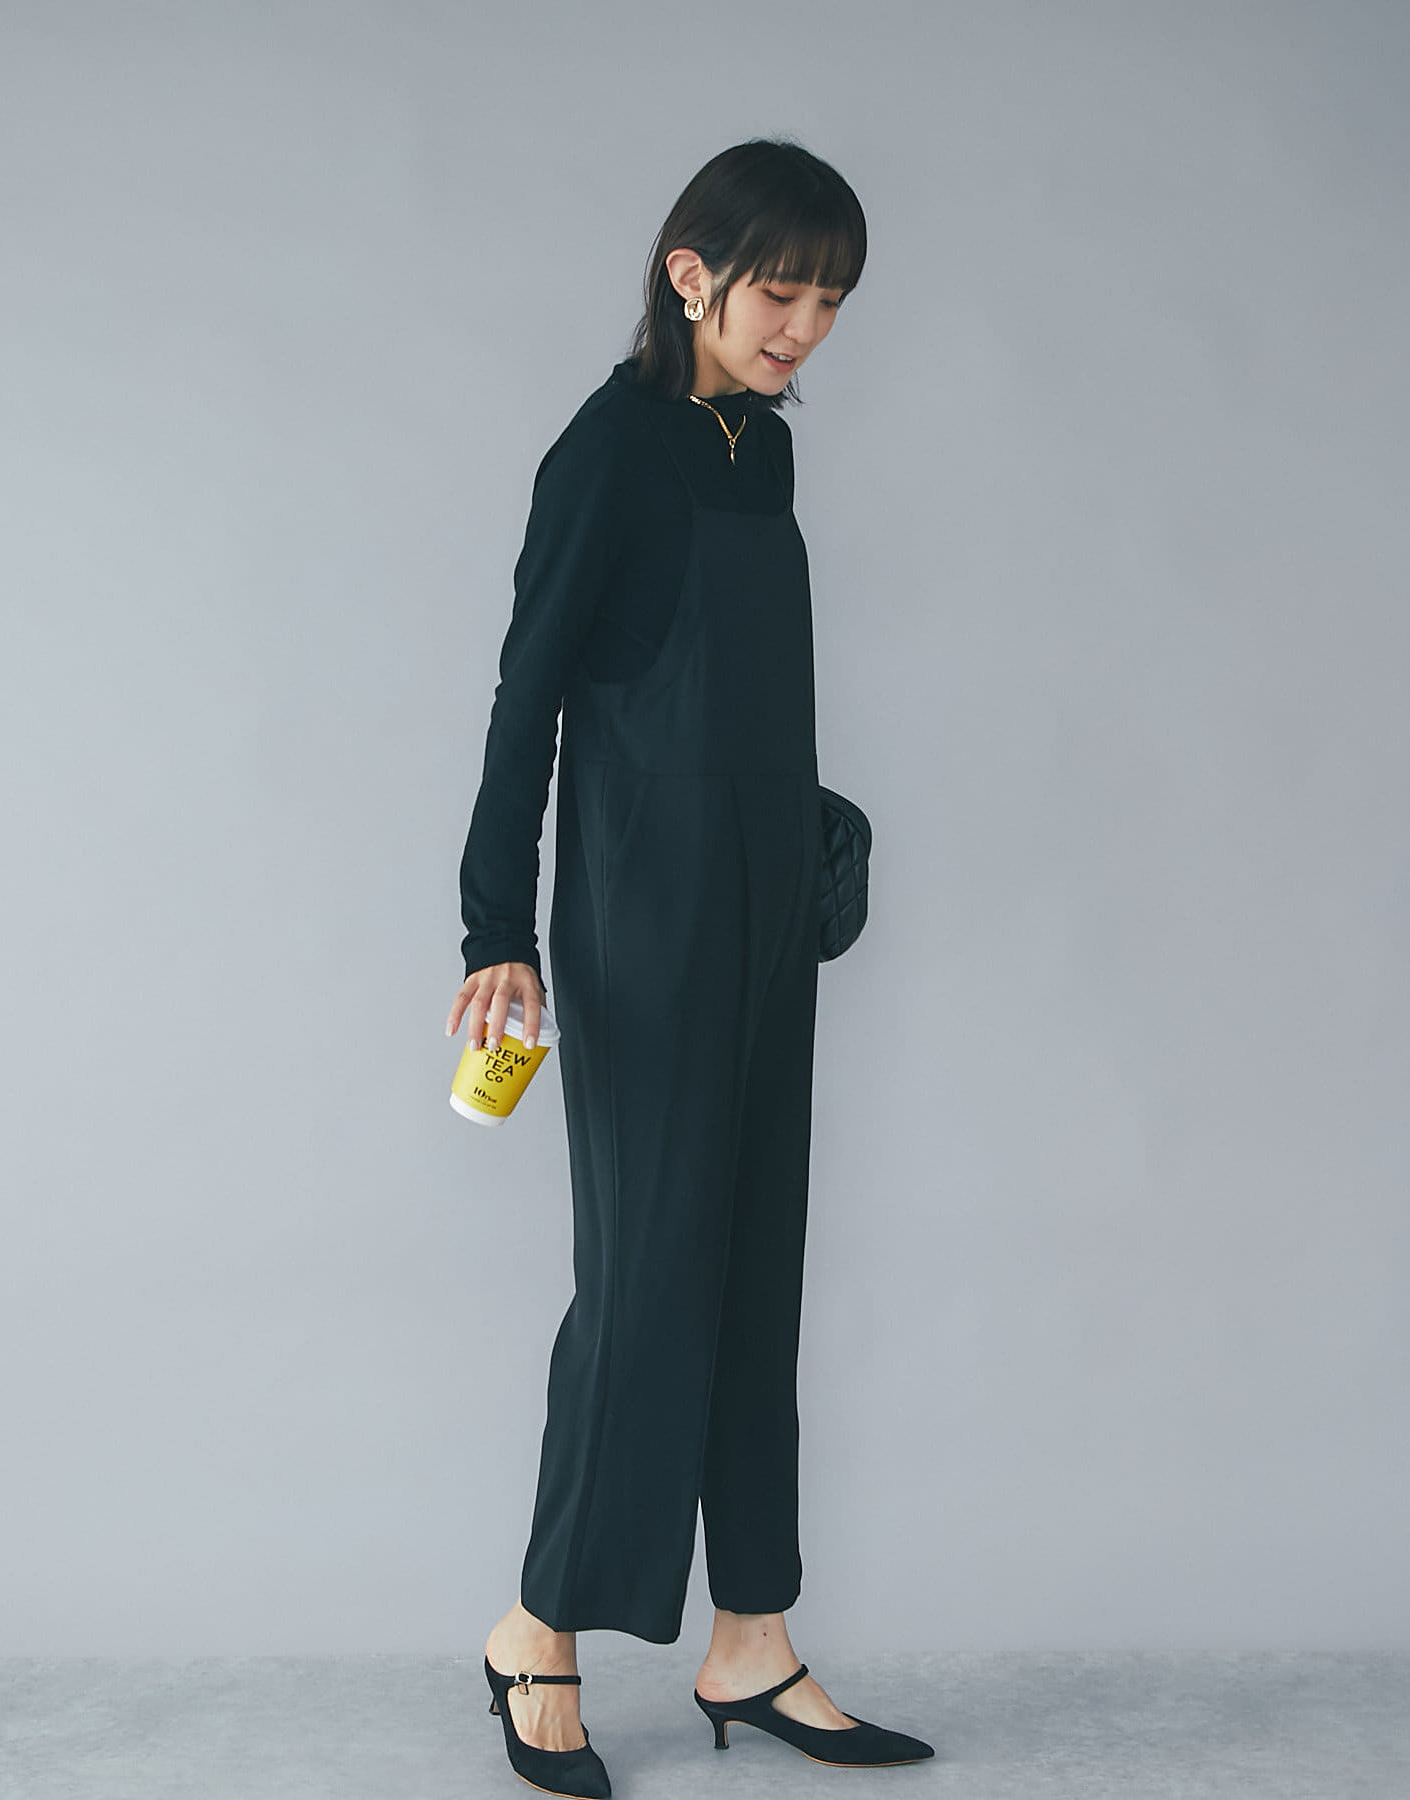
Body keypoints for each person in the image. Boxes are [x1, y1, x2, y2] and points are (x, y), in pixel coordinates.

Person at [445, 137, 933, 1796]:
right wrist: (495, 931)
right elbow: (529, 697)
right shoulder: (608, 453)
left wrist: (808, 831)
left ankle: (753, 1638)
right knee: (648, 1277)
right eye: (781, 291)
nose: (804, 328)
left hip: (762, 903)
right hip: (644, 913)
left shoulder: (757, 448)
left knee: (750, 1269)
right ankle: (538, 1629)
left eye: (832, 302)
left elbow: (723, 683)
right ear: (690, 275)